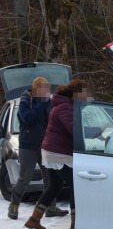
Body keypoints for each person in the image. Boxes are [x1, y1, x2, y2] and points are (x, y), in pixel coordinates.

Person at [24, 79, 90, 229]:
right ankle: (75, 224)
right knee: (75, 186)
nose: (86, 96)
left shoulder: (65, 104)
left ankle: (34, 219)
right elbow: (73, 129)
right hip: (58, 153)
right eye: (84, 93)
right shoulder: (65, 107)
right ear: (77, 93)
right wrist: (95, 131)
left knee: (55, 185)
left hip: (52, 151)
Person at [7, 77, 68, 220]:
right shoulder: (25, 101)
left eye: (48, 89)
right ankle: (14, 205)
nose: (47, 92)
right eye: (44, 89)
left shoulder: (48, 103)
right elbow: (28, 118)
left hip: (45, 145)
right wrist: (41, 104)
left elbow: (51, 121)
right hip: (28, 145)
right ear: (36, 89)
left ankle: (50, 207)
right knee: (24, 178)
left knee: (50, 179)